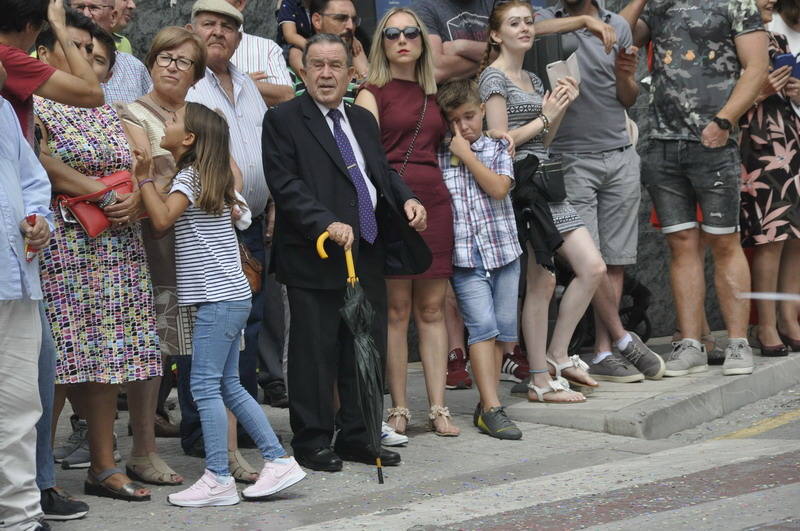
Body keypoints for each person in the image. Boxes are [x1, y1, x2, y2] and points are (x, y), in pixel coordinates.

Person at [263, 32, 430, 472]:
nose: (325, 74)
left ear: (351, 73)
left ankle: (360, 435)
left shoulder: (361, 119)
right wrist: (324, 222)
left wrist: (407, 198)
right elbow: (285, 184)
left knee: (364, 348)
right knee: (314, 353)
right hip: (315, 254)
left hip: (367, 251)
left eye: (335, 65)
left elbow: (381, 172)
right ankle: (313, 440)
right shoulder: (283, 119)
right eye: (317, 65)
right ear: (302, 72)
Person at [134, 102, 306, 507]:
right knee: (228, 385)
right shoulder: (206, 175)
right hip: (229, 296)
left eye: (173, 120)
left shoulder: (190, 177)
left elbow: (161, 221)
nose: (166, 121)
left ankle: (217, 477)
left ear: (189, 138)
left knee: (205, 386)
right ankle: (277, 460)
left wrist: (143, 179)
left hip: (217, 298)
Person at [35, 15, 162, 502]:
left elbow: (134, 164)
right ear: (44, 53)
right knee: (59, 362)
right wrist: (102, 194)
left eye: (91, 50)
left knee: (107, 356)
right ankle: (40, 476)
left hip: (116, 245)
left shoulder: (103, 106)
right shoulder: (34, 101)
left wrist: (132, 195)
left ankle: (103, 467)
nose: (86, 56)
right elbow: (42, 162)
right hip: (64, 244)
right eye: (74, 45)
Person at [623, 0, 768, 376]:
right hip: (661, 142)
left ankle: (737, 343)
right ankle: (690, 343)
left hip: (715, 142)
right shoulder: (656, 5)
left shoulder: (737, 3)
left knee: (724, 241)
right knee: (681, 243)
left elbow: (757, 67)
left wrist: (725, 120)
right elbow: (619, 37)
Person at [535, 0, 665, 383]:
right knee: (589, 262)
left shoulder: (618, 27)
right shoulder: (546, 19)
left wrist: (626, 76)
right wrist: (582, 22)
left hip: (620, 154)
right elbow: (528, 34)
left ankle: (606, 351)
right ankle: (623, 338)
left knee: (615, 260)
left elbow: (627, 97)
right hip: (571, 158)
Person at [480, 0, 603, 401]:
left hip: (547, 184)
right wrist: (546, 116)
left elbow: (544, 139)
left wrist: (561, 106)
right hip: (522, 188)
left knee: (592, 268)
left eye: (529, 22)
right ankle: (538, 379)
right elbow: (500, 142)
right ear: (496, 34)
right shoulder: (492, 78)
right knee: (543, 280)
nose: (525, 29)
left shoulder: (533, 77)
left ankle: (556, 355)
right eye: (514, 23)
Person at [355, 7, 458, 438]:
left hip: (436, 201)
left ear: (422, 41)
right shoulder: (371, 92)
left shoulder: (436, 91)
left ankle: (438, 407)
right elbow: (368, 160)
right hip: (392, 206)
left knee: (433, 309)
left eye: (411, 33)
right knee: (396, 311)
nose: (402, 40)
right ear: (381, 42)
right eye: (392, 33)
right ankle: (398, 406)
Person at [116, 25, 210, 487]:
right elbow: (137, 171)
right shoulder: (128, 112)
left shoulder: (205, 116)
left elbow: (227, 173)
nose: (172, 67)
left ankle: (222, 447)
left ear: (197, 74)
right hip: (150, 247)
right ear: (151, 62)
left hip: (200, 248)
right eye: (165, 57)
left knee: (202, 350)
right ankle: (143, 450)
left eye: (183, 61)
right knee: (151, 350)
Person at [184, 0, 273, 474]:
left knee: (247, 328)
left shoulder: (247, 84)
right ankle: (203, 431)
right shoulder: (185, 81)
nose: (217, 32)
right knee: (205, 333)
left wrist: (271, 204)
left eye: (227, 26)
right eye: (208, 23)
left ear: (240, 37)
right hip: (204, 225)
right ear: (191, 28)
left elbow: (262, 150)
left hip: (250, 222)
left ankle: (240, 427)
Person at [436, 78, 525, 438]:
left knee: (502, 330)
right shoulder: (440, 155)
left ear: (483, 111)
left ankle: (487, 404)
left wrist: (468, 155)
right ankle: (491, 407)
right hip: (466, 260)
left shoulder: (497, 147)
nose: (463, 127)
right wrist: (457, 149)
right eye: (454, 120)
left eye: (469, 117)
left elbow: (499, 188)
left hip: (503, 254)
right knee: (483, 328)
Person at [0, 95, 53, 531]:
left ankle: (20, 516)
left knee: (19, 404)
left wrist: (37, 217)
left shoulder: (1, 110)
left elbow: (31, 178)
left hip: (15, 275)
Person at [739, 0, 800, 356]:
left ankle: (789, 318)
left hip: (790, 136)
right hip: (758, 140)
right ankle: (765, 324)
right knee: (771, 234)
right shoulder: (736, 37)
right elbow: (722, 95)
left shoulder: (777, 37)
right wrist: (760, 90)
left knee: (795, 234)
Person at [411, 0, 618, 83]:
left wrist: (461, 47)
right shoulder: (425, 7)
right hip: (452, 121)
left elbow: (526, 30)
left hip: (497, 110)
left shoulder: (493, 2)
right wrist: (501, 54)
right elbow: (436, 70)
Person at [0, 0, 103, 144]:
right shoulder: (9, 58)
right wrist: (60, 27)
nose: (85, 57)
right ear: (30, 26)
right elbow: (93, 94)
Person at [73, 0, 150, 104]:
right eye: (80, 7)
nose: (86, 14)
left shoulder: (134, 68)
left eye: (94, 8)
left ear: (113, 17)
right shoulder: (55, 58)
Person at [291, 0, 367, 102]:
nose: (350, 26)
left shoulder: (367, 68)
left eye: (354, 20)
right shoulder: (287, 73)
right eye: (341, 18)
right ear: (317, 21)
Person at [224, 0, 295, 105]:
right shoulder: (198, 46)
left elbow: (287, 96)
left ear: (240, 3)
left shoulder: (267, 48)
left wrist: (243, 83)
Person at [276, 0, 313, 74]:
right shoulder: (289, 3)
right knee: (294, 53)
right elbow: (290, 35)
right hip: (291, 45)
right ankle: (310, 76)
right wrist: (311, 47)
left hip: (316, 41)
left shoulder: (322, 4)